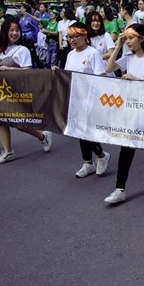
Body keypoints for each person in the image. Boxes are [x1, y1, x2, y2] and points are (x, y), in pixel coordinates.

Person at [103, 23, 144, 204]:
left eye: (131, 38)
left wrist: (136, 79)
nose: (128, 41)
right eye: (127, 38)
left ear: (141, 38)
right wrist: (118, 46)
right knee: (127, 148)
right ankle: (120, 188)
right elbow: (108, 68)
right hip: (131, 110)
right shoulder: (128, 57)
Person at [0, 19, 53, 165]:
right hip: (2, 91)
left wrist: (10, 69)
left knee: (20, 124)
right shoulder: (0, 49)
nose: (14, 33)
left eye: (17, 30)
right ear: (5, 32)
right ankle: (7, 151)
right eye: (11, 30)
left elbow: (28, 71)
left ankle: (43, 137)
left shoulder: (22, 50)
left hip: (18, 93)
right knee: (0, 120)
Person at [55, 22, 111, 178]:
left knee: (87, 132)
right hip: (75, 98)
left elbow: (100, 77)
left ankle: (101, 156)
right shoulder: (71, 55)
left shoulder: (93, 54)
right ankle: (88, 162)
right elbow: (68, 76)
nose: (72, 40)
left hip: (90, 99)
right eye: (69, 37)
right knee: (78, 131)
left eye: (75, 36)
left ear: (84, 36)